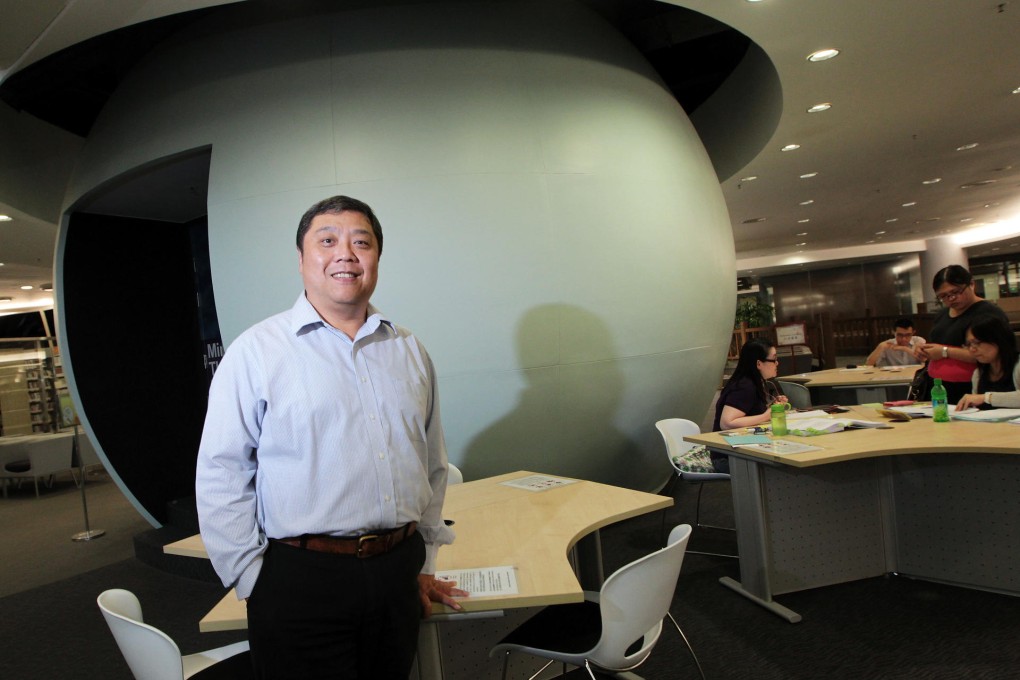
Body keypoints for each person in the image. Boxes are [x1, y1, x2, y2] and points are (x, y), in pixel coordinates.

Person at [195, 195, 467, 679]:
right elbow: (222, 470)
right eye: (327, 241)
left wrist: (424, 561)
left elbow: (432, 465)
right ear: (301, 260)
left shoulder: (408, 350)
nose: (346, 253)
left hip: (396, 573)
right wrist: (251, 578)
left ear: (376, 259)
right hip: (300, 580)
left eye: (361, 242)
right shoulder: (256, 352)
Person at [916, 265, 1010, 404]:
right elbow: (938, 343)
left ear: (971, 284)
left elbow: (993, 354)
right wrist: (924, 350)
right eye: (943, 296)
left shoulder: (988, 313)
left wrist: (944, 352)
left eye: (955, 292)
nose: (951, 299)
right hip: (939, 385)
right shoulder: (943, 314)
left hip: (972, 386)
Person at [711, 338, 788, 473]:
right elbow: (727, 423)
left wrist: (772, 406)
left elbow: (749, 411)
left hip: (742, 448)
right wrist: (766, 416)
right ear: (759, 363)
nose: (777, 363)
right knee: (784, 464)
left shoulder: (753, 381)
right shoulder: (745, 386)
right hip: (729, 457)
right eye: (774, 359)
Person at [956, 316, 1020, 410]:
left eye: (977, 342)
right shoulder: (978, 374)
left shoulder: (1017, 366)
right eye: (969, 344)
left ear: (998, 339)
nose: (972, 349)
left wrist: (986, 398)